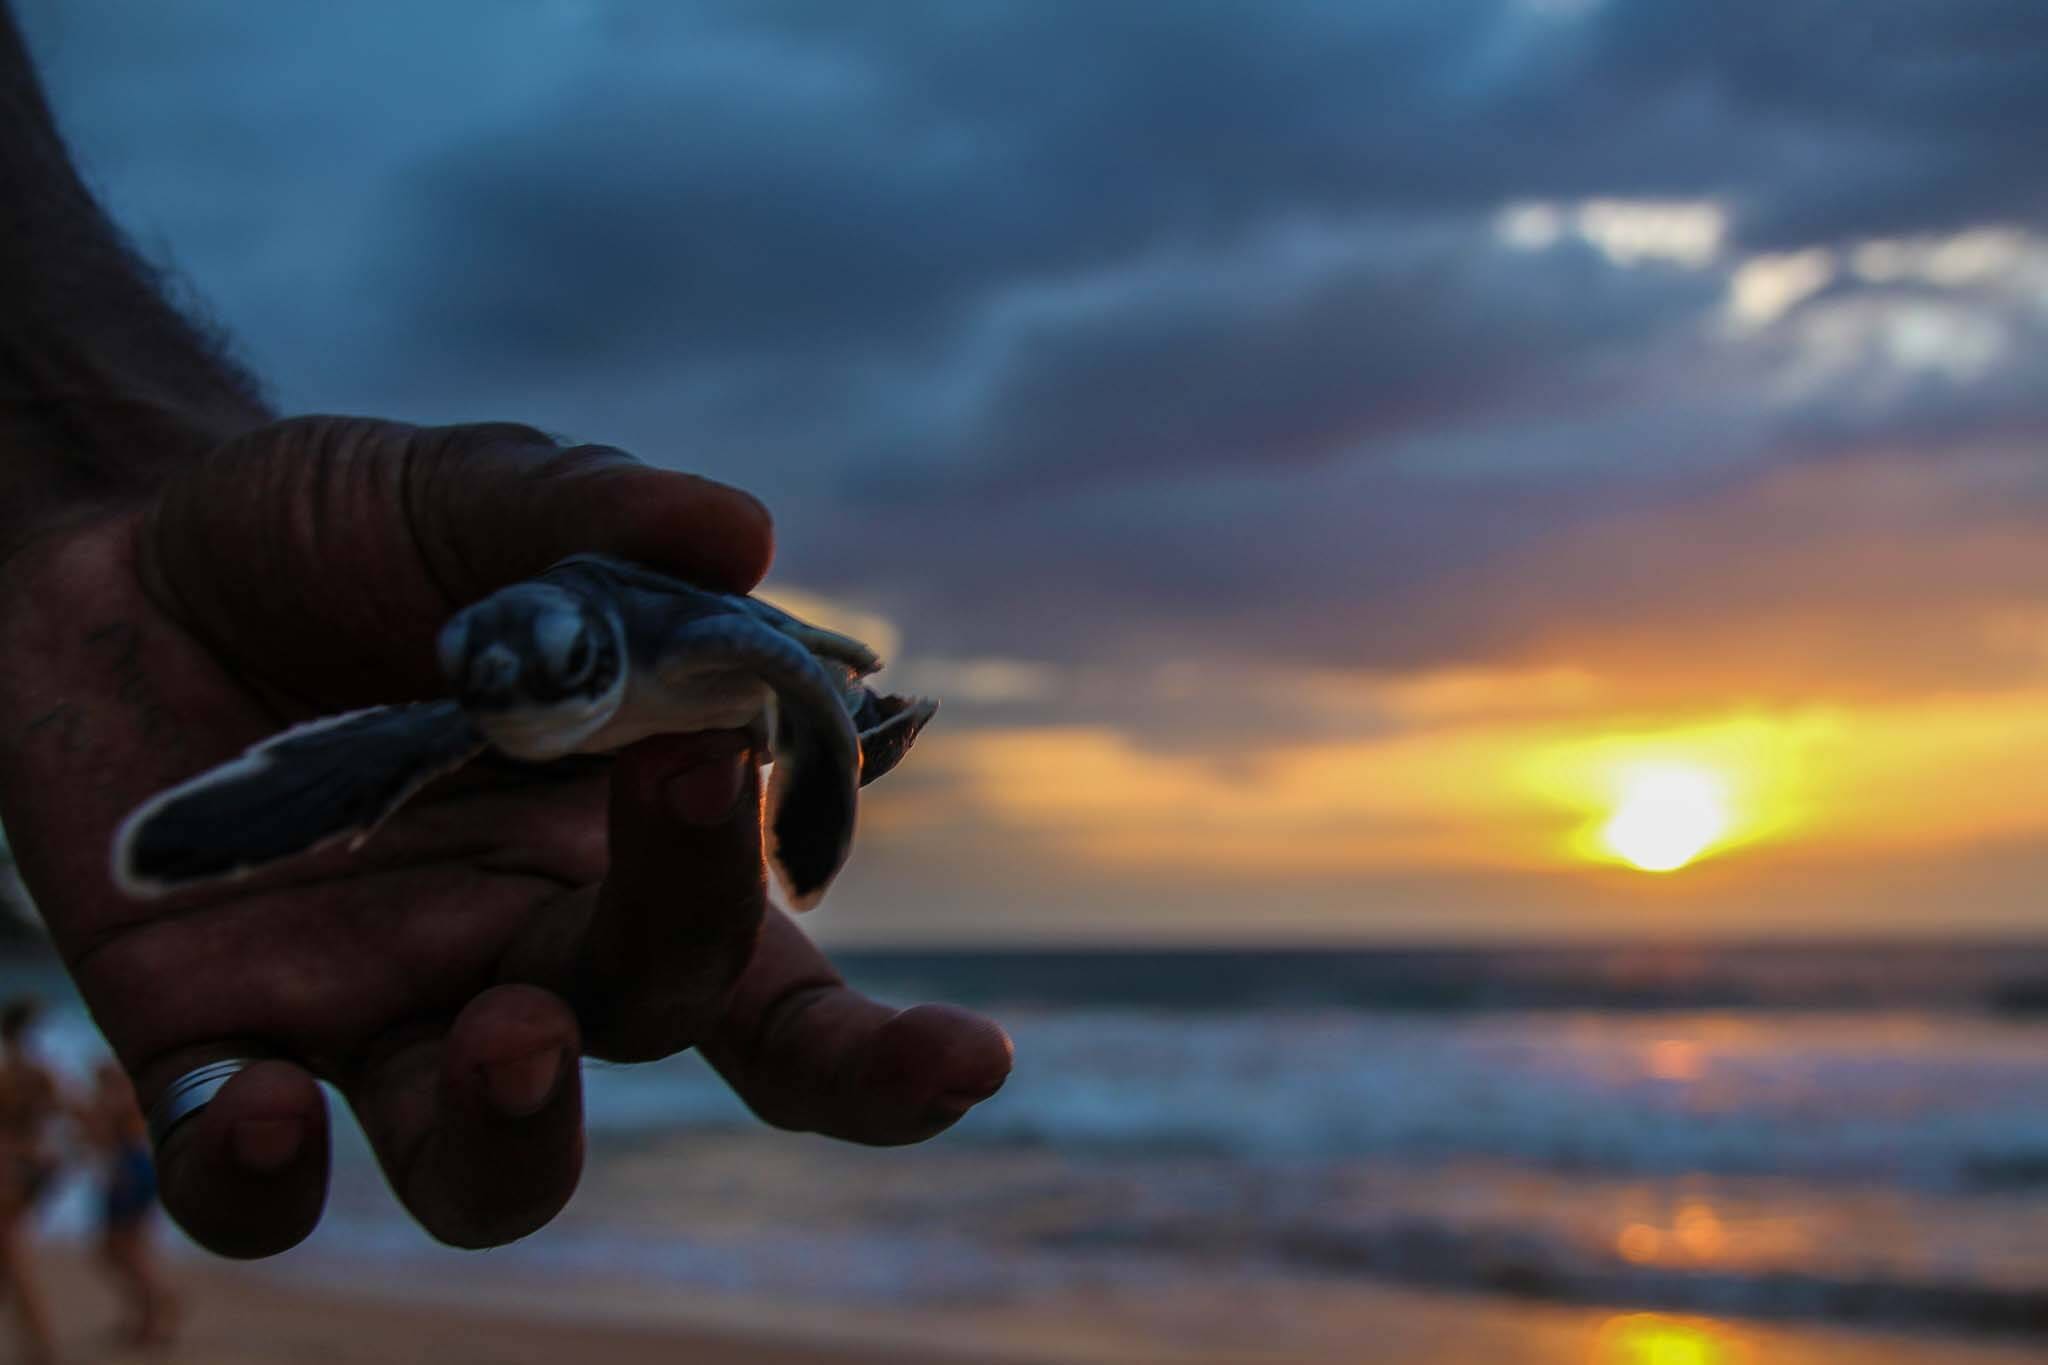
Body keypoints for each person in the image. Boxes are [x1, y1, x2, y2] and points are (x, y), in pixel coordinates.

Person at [0, 3, 1011, 1261]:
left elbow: (780, 666)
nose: (508, 704)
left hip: (726, 653)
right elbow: (419, 733)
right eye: (484, 682)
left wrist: (825, 763)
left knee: (805, 683)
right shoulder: (498, 687)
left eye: (538, 681)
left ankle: (867, 732)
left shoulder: (676, 649)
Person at [76, 1061, 177, 1346]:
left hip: (128, 1174)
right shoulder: (134, 1098)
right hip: (141, 1168)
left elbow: (98, 1137)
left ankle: (159, 1303)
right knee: (129, 1249)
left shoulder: (114, 1101)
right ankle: (148, 1314)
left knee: (119, 1250)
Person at [0, 999, 57, 1362]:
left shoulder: (10, 1071)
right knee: (9, 1255)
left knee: (14, 1254)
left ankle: (41, 1347)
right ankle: (35, 1344)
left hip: (10, 1166)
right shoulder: (40, 1071)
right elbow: (62, 1114)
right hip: (32, 1163)